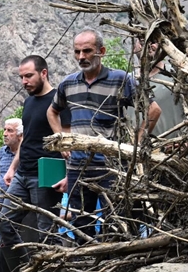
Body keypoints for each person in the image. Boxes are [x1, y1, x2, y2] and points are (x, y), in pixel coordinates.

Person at [48, 29, 159, 239]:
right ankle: (88, 268)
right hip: (77, 167)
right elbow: (52, 111)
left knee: (116, 222)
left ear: (102, 51)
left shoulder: (121, 80)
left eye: (87, 51)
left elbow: (153, 110)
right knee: (81, 225)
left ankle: (117, 266)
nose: (81, 57)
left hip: (111, 166)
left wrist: (136, 143)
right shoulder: (68, 83)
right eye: (77, 52)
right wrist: (61, 140)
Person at [0, 56, 63, 272]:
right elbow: (27, 139)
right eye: (21, 77)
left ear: (43, 73)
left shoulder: (58, 100)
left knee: (47, 231)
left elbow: (67, 138)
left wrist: (68, 172)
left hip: (45, 174)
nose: (24, 81)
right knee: (5, 223)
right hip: (22, 174)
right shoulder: (28, 103)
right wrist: (12, 168)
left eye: (29, 76)